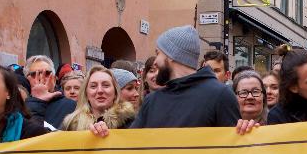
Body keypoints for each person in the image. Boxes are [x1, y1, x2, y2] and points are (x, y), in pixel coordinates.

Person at [96, 26, 241, 131]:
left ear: (171, 56)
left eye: (158, 54)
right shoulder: (153, 100)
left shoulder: (220, 95)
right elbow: (132, 144)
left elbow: (232, 153)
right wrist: (104, 130)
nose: (155, 61)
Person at [61, 67, 136, 131]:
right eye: (93, 86)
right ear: (86, 94)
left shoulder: (132, 122)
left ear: (115, 93)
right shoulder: (70, 124)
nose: (100, 90)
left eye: (106, 85)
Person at [24, 55, 76, 128]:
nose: (41, 77)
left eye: (47, 73)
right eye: (34, 74)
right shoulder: (20, 107)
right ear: (27, 79)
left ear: (54, 79)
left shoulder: (71, 106)